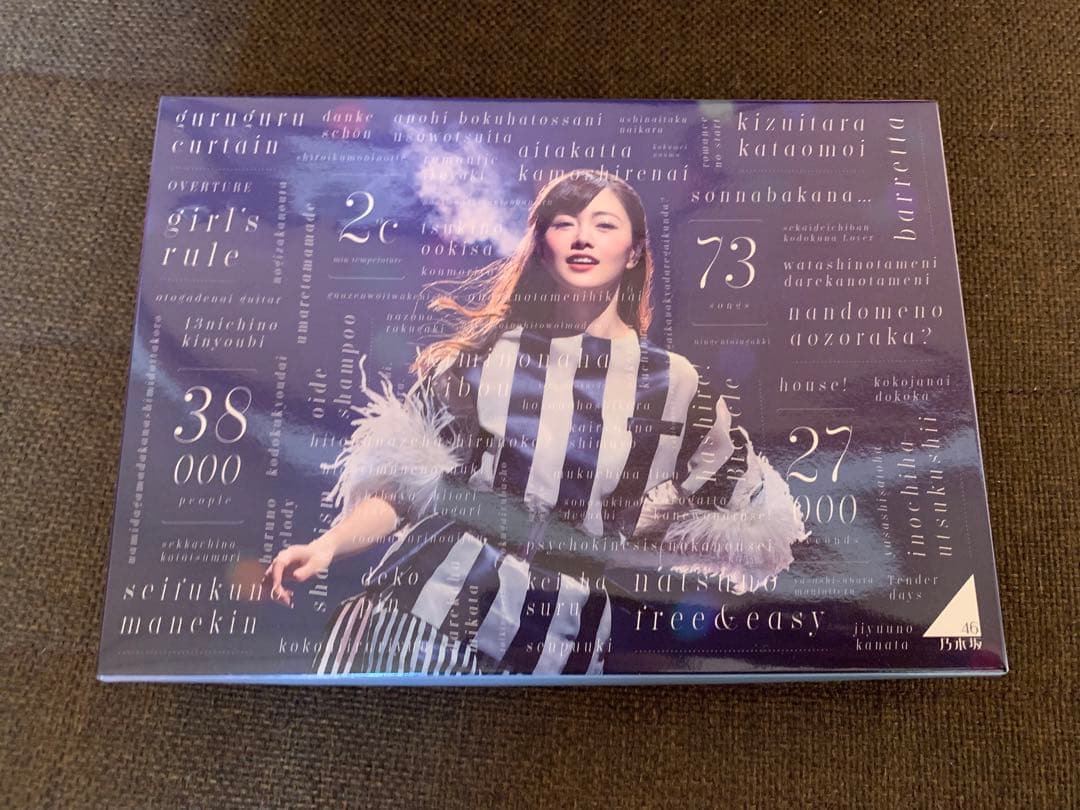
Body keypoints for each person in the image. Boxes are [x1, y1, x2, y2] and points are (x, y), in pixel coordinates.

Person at [264, 169, 808, 677]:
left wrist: (633, 531)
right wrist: (328, 545)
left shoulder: (674, 384)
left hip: (560, 653)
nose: (582, 238)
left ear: (635, 250)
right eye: (564, 223)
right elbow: (401, 487)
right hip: (417, 623)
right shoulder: (482, 359)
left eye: (604, 225)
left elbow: (754, 516)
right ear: (541, 245)